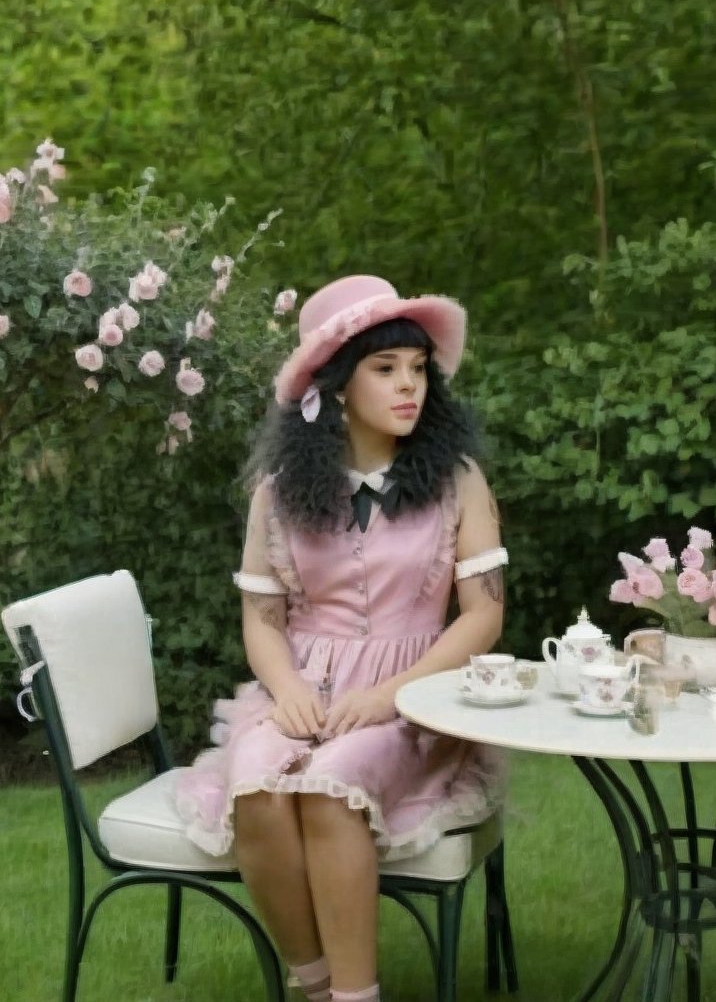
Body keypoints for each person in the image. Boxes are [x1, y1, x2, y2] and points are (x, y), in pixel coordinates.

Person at [175, 275, 508, 1002]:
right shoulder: (278, 491)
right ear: (335, 385)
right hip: (299, 688)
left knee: (333, 788)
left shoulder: (458, 480)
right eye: (385, 369)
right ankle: (319, 985)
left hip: (416, 696)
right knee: (257, 787)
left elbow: (483, 616)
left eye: (417, 369)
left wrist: (393, 694)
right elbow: (261, 619)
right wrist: (287, 689)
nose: (408, 386)